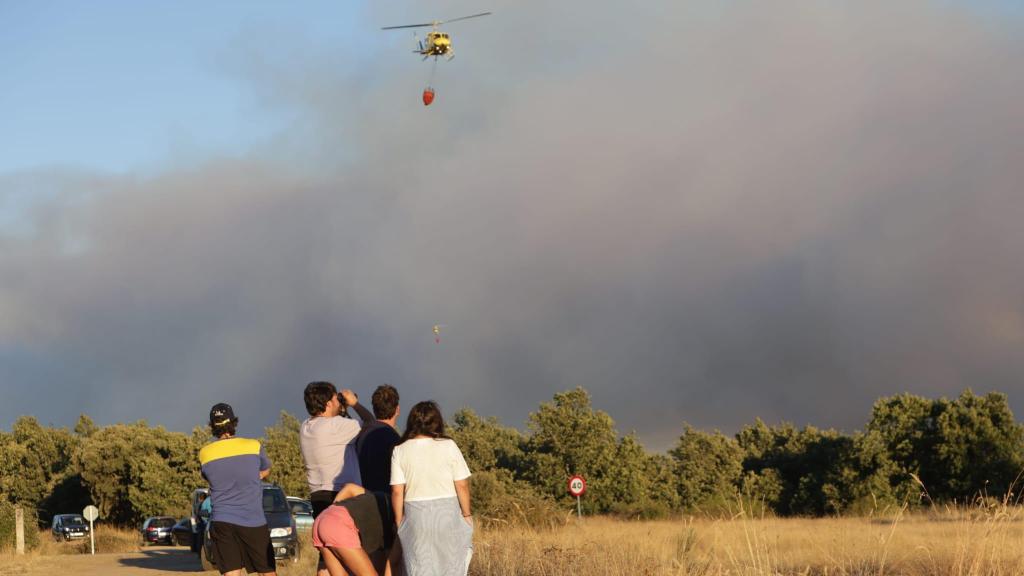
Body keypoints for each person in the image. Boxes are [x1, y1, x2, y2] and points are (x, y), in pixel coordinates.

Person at [390, 401, 473, 576]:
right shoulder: (449, 445)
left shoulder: (400, 450)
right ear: (437, 421)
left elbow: (397, 491)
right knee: (450, 564)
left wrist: (399, 521)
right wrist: (466, 514)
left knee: (419, 566)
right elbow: (462, 485)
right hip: (447, 512)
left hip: (415, 515)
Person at [300, 381, 374, 576]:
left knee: (328, 556)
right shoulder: (336, 426)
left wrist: (341, 408)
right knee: (349, 553)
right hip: (342, 496)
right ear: (327, 404)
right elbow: (371, 424)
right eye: (335, 398)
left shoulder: (305, 427)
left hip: (318, 496)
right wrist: (355, 404)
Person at [199, 403, 277, 576]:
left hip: (222, 521)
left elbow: (208, 477)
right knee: (267, 571)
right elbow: (265, 469)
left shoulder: (204, 454)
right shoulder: (253, 446)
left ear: (212, 426)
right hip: (253, 520)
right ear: (234, 422)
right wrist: (254, 476)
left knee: (231, 573)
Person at [311, 483, 390, 576]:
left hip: (322, 520)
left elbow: (350, 488)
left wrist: (333, 510)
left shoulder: (380, 498)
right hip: (337, 524)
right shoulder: (397, 518)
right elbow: (390, 563)